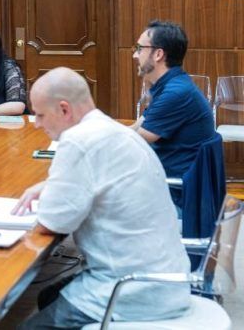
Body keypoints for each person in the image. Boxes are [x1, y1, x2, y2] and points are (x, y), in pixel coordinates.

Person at [13, 68, 190, 328]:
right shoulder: (111, 128)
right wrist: (52, 185)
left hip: (132, 289)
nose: (37, 124)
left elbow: (53, 222)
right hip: (169, 277)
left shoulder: (77, 140)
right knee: (48, 295)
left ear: (64, 110)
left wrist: (52, 193)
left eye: (40, 115)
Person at [131, 20, 216, 178]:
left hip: (173, 192)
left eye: (139, 48)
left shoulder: (176, 93)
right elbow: (136, 127)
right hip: (160, 179)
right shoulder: (171, 85)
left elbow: (134, 143)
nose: (134, 55)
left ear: (158, 54)